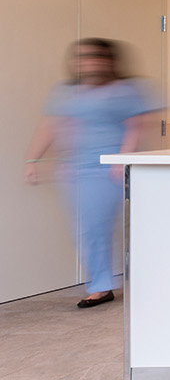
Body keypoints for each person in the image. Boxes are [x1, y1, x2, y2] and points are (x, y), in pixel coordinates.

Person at [23, 39, 158, 309]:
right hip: (76, 170)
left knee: (104, 228)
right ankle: (102, 284)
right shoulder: (66, 91)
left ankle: (107, 285)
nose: (88, 61)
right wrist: (32, 159)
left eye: (95, 56)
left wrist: (121, 161)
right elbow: (51, 125)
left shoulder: (124, 89)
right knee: (87, 231)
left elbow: (135, 126)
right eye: (82, 57)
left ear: (109, 60)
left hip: (108, 169)